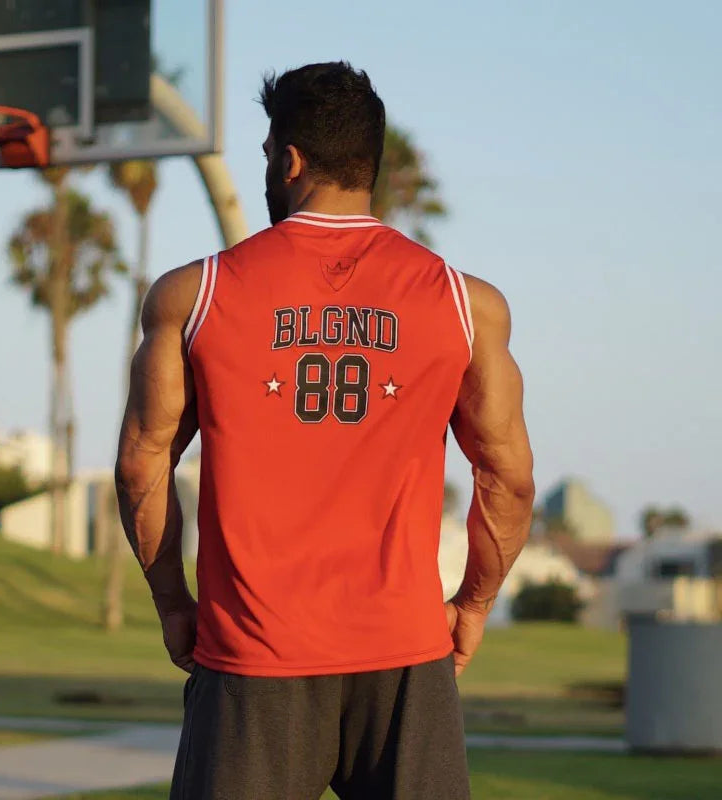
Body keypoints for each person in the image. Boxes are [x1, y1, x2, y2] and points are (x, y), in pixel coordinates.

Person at [115, 61, 534, 800]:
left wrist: (173, 605)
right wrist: (472, 606)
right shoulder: (468, 305)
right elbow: (507, 479)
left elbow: (141, 466)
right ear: (368, 164)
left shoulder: (193, 295)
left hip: (252, 657)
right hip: (404, 657)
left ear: (290, 158)